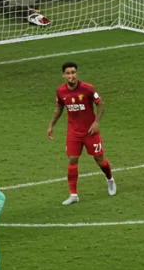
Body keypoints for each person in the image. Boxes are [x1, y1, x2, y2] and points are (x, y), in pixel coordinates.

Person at [46, 61, 115, 206]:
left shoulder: (88, 89)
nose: (71, 76)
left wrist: (96, 122)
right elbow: (59, 108)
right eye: (68, 73)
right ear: (63, 75)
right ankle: (73, 195)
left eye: (73, 72)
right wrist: (51, 125)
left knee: (99, 160)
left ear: (76, 73)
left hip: (90, 131)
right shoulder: (60, 91)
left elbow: (100, 104)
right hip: (73, 132)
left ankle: (110, 179)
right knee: (72, 159)